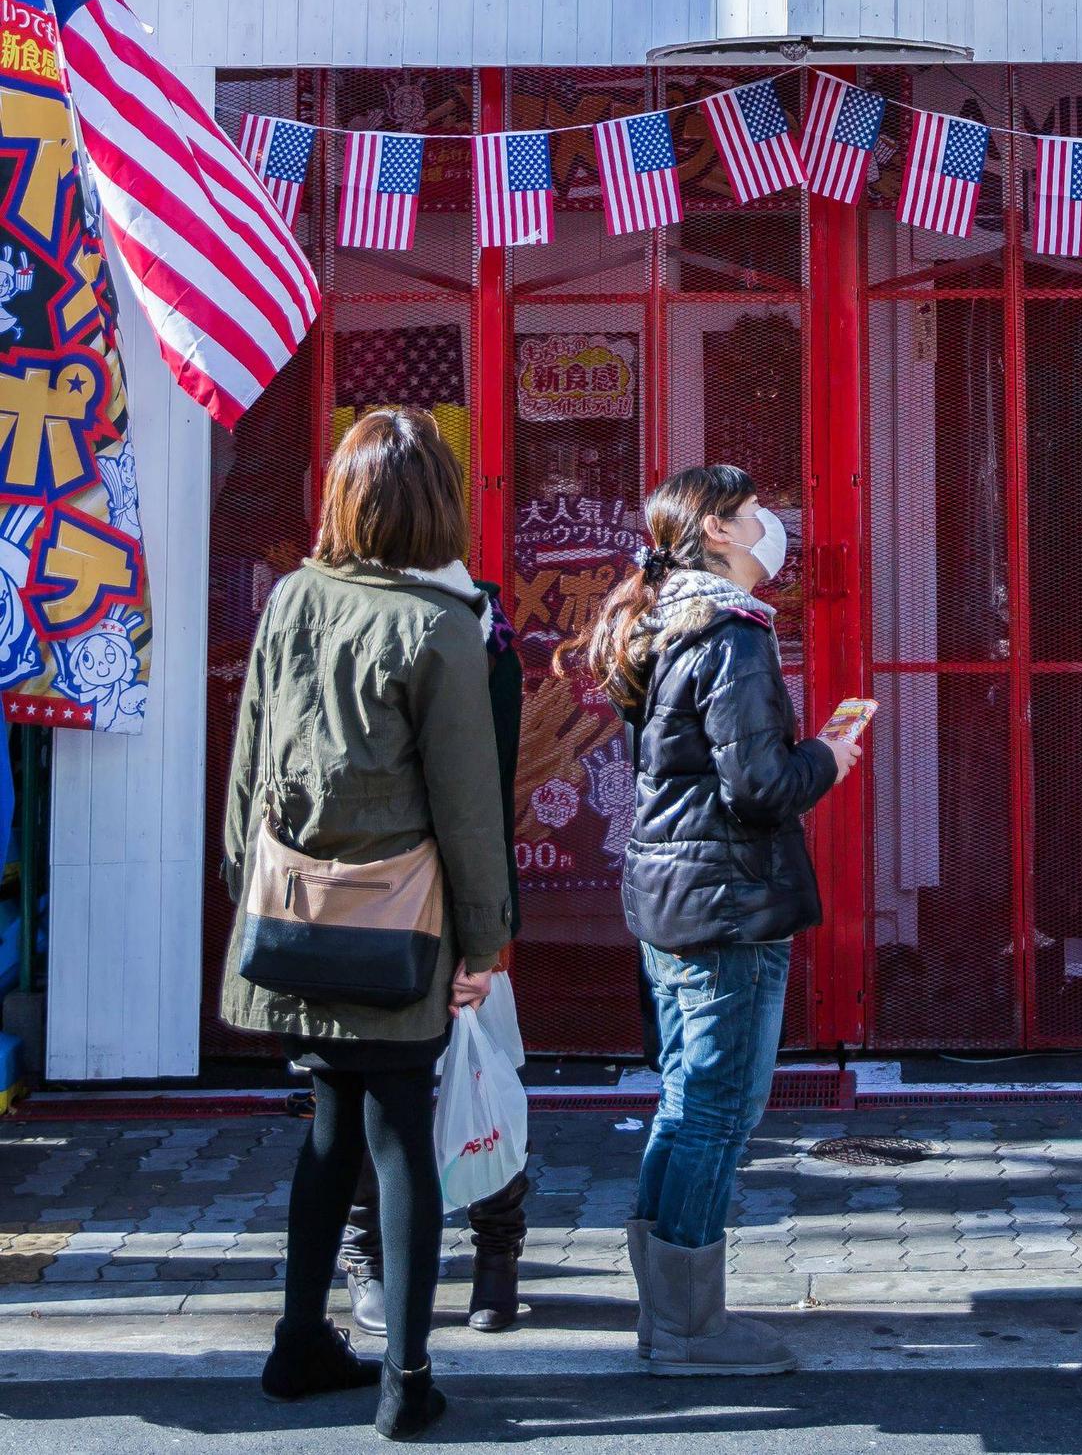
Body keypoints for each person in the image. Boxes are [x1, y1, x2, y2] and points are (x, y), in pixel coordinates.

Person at [221, 408, 512, 1442]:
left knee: (327, 1132)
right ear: (438, 502)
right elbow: (468, 806)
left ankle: (299, 1340)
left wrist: (247, 886)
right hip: (398, 925)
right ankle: (405, 1376)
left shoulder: (291, 597)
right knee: (399, 1142)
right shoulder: (442, 624)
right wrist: (483, 940)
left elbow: (248, 761)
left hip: (295, 914)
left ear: (343, 497)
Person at [565, 462, 859, 1373]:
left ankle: (667, 1315)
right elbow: (758, 786)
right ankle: (689, 1328)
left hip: (674, 894)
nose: (774, 522)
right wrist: (828, 755)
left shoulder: (662, 620)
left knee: (685, 1100)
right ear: (719, 532)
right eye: (755, 509)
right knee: (718, 1111)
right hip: (728, 899)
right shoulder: (731, 633)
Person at [340, 575, 528, 1336]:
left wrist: (483, 927)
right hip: (366, 889)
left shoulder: (483, 629)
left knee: (483, 1063)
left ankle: (497, 1253)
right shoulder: (339, 606)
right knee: (371, 1079)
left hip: (461, 885)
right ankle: (369, 1255)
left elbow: (489, 785)